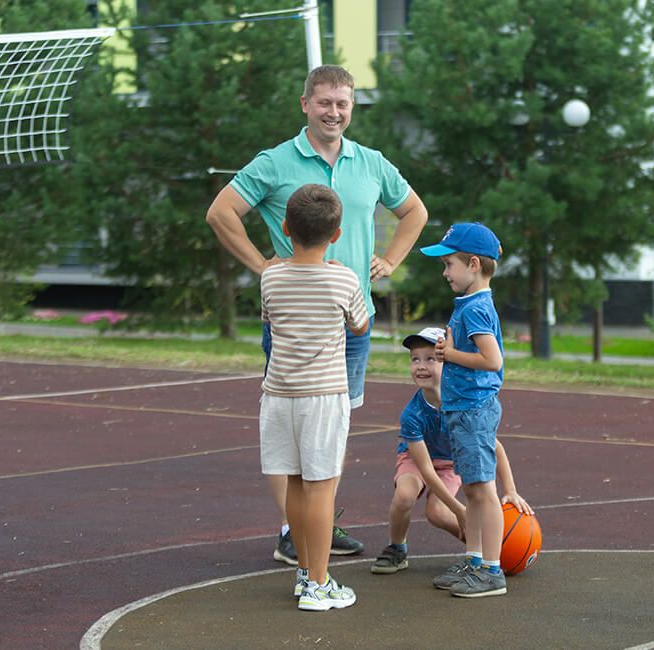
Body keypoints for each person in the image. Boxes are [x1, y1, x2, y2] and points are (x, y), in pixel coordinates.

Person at [206, 64, 428, 564]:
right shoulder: (275, 162)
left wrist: (391, 259)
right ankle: (293, 531)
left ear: (352, 108)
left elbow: (415, 212)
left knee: (333, 427)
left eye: (343, 104)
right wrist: (262, 264)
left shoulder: (371, 163)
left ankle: (316, 524)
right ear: (305, 104)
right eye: (324, 102)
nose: (334, 112)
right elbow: (220, 213)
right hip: (295, 323)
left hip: (352, 323)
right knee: (294, 430)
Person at [258, 183, 369, 611]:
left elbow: (269, 316)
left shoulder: (271, 276)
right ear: (336, 234)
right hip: (322, 396)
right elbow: (360, 325)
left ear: (286, 228)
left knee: (295, 484)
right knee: (322, 489)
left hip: (278, 394)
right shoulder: (343, 277)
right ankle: (319, 586)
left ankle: (306, 573)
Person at [370, 326, 532, 576]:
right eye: (415, 359)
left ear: (449, 364)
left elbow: (494, 447)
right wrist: (460, 510)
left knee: (436, 512)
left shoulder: (464, 405)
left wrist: (510, 490)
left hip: (451, 460)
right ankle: (397, 548)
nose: (420, 366)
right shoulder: (412, 414)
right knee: (404, 495)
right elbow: (424, 468)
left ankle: (480, 551)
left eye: (430, 359)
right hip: (417, 458)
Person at [419, 222, 508, 598]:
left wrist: (448, 355)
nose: (445, 273)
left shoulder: (476, 308)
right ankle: (474, 559)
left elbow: (492, 359)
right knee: (471, 489)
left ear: (473, 264)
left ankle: (492, 569)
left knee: (483, 490)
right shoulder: (469, 305)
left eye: (449, 264)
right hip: (463, 408)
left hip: (473, 408)